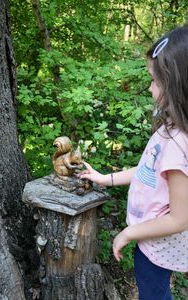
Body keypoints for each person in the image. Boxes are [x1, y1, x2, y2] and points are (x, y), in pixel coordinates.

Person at [78, 24, 188, 300]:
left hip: (158, 247)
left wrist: (129, 233)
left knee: (154, 294)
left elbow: (180, 218)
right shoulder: (170, 129)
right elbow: (148, 171)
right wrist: (106, 179)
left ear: (176, 84)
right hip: (151, 240)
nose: (149, 88)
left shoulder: (178, 145)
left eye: (154, 81)